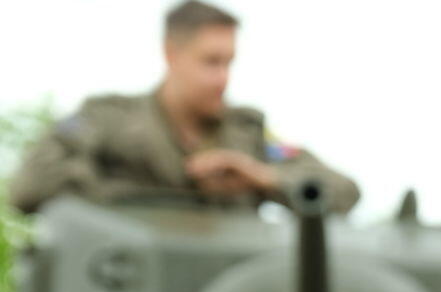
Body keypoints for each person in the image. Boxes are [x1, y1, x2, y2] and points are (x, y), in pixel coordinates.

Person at [9, 1, 359, 215]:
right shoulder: (105, 120)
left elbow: (344, 192)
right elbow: (28, 186)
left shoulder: (249, 135)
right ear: (171, 53)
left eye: (229, 63)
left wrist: (262, 178)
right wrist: (126, 195)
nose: (223, 78)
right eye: (211, 62)